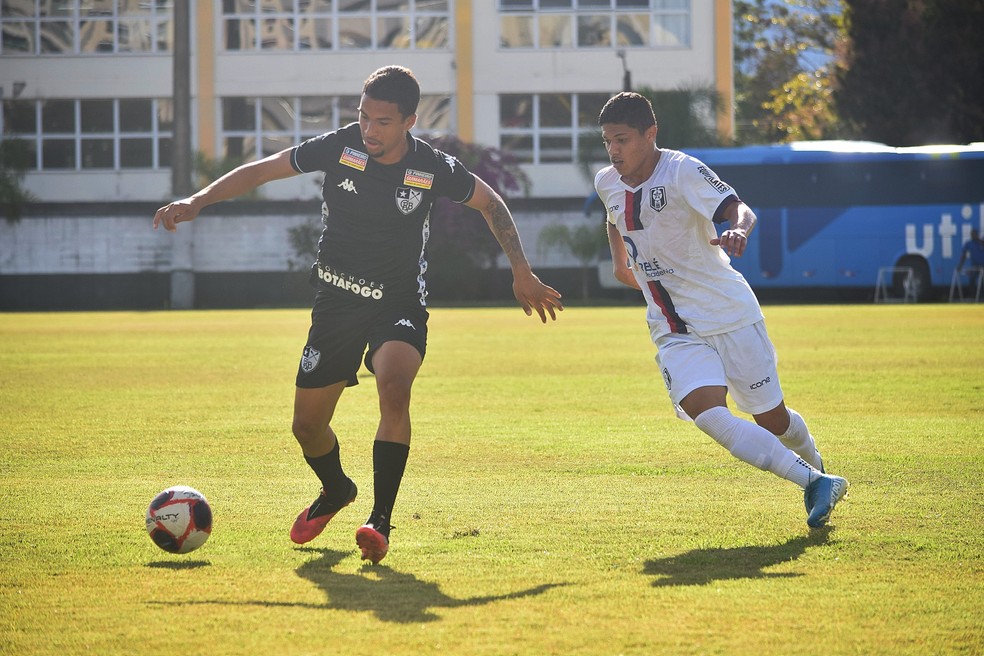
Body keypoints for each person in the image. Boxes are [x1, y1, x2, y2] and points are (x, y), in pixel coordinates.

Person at [153, 66, 563, 563]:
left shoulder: (432, 167)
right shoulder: (338, 147)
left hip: (398, 302)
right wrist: (198, 201)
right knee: (307, 427)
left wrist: (521, 271)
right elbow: (263, 168)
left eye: (383, 121)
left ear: (410, 121)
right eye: (364, 117)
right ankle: (336, 489)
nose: (370, 129)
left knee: (394, 383)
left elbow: (490, 202)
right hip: (336, 304)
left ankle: (380, 521)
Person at [593, 92, 847, 528]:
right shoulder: (606, 182)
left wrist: (738, 232)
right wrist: (630, 270)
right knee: (706, 412)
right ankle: (812, 481)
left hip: (728, 313)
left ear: (650, 135)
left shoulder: (681, 170)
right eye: (607, 141)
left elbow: (738, 209)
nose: (613, 151)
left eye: (622, 139)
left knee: (772, 418)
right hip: (672, 326)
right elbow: (617, 230)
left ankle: (816, 465)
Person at [956, 228, 984, 298]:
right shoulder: (969, 243)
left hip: (983, 266)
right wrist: (960, 265)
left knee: (983, 282)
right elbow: (964, 255)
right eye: (972, 234)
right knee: (972, 280)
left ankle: (982, 296)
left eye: (975, 234)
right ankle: (972, 296)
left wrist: (980, 241)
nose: (973, 236)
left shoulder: (981, 242)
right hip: (974, 266)